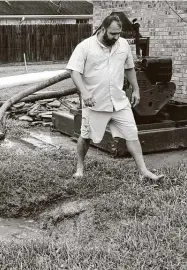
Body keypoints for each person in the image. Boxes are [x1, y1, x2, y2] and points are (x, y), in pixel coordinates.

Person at [66, 14, 164, 181]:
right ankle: (80, 168)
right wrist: (85, 92)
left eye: (118, 33)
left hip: (119, 102)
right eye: (113, 34)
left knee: (132, 134)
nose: (116, 37)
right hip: (95, 102)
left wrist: (136, 89)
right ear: (103, 29)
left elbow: (130, 68)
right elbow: (73, 71)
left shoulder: (123, 44)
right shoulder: (85, 47)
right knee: (86, 136)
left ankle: (144, 172)